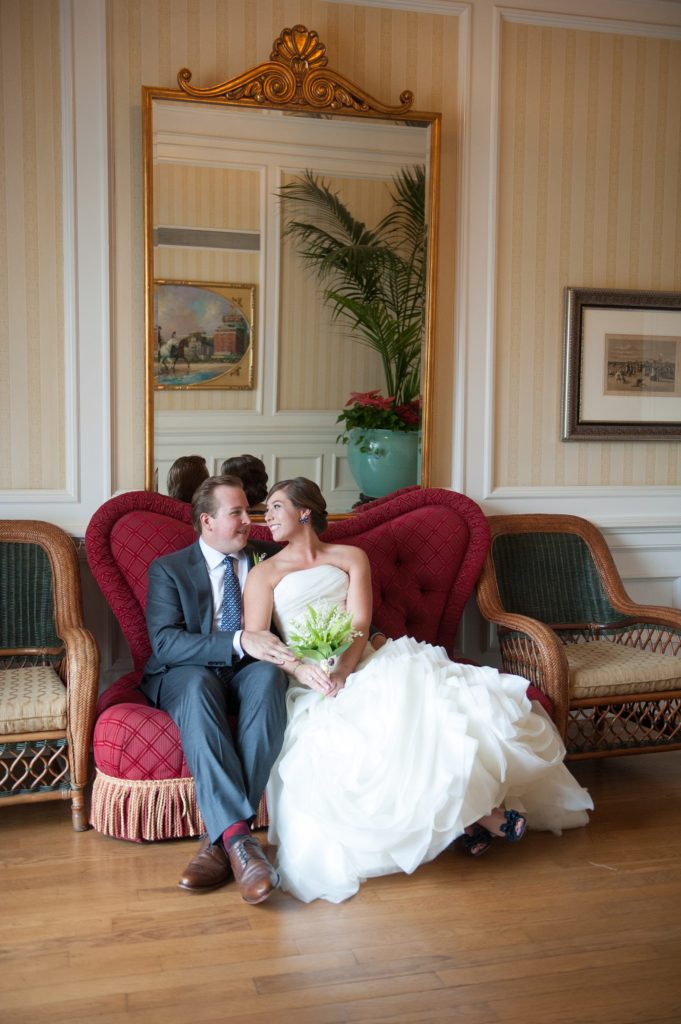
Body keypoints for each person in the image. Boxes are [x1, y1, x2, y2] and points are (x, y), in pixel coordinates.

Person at [243, 477, 594, 904]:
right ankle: (479, 817)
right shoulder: (264, 573)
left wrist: (346, 672)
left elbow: (359, 624)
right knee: (367, 731)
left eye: (276, 507)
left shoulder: (350, 557)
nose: (267, 516)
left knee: (427, 707)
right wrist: (305, 671)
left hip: (366, 660)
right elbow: (259, 641)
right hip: (310, 679)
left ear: (304, 512)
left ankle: (467, 819)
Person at [140, 475, 300, 905]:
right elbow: (166, 643)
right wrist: (239, 639)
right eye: (237, 513)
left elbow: (315, 598)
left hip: (250, 670)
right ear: (207, 521)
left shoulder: (270, 556)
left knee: (269, 676)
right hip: (187, 671)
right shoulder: (170, 569)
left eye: (249, 510)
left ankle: (223, 841)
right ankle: (242, 843)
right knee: (197, 686)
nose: (250, 520)